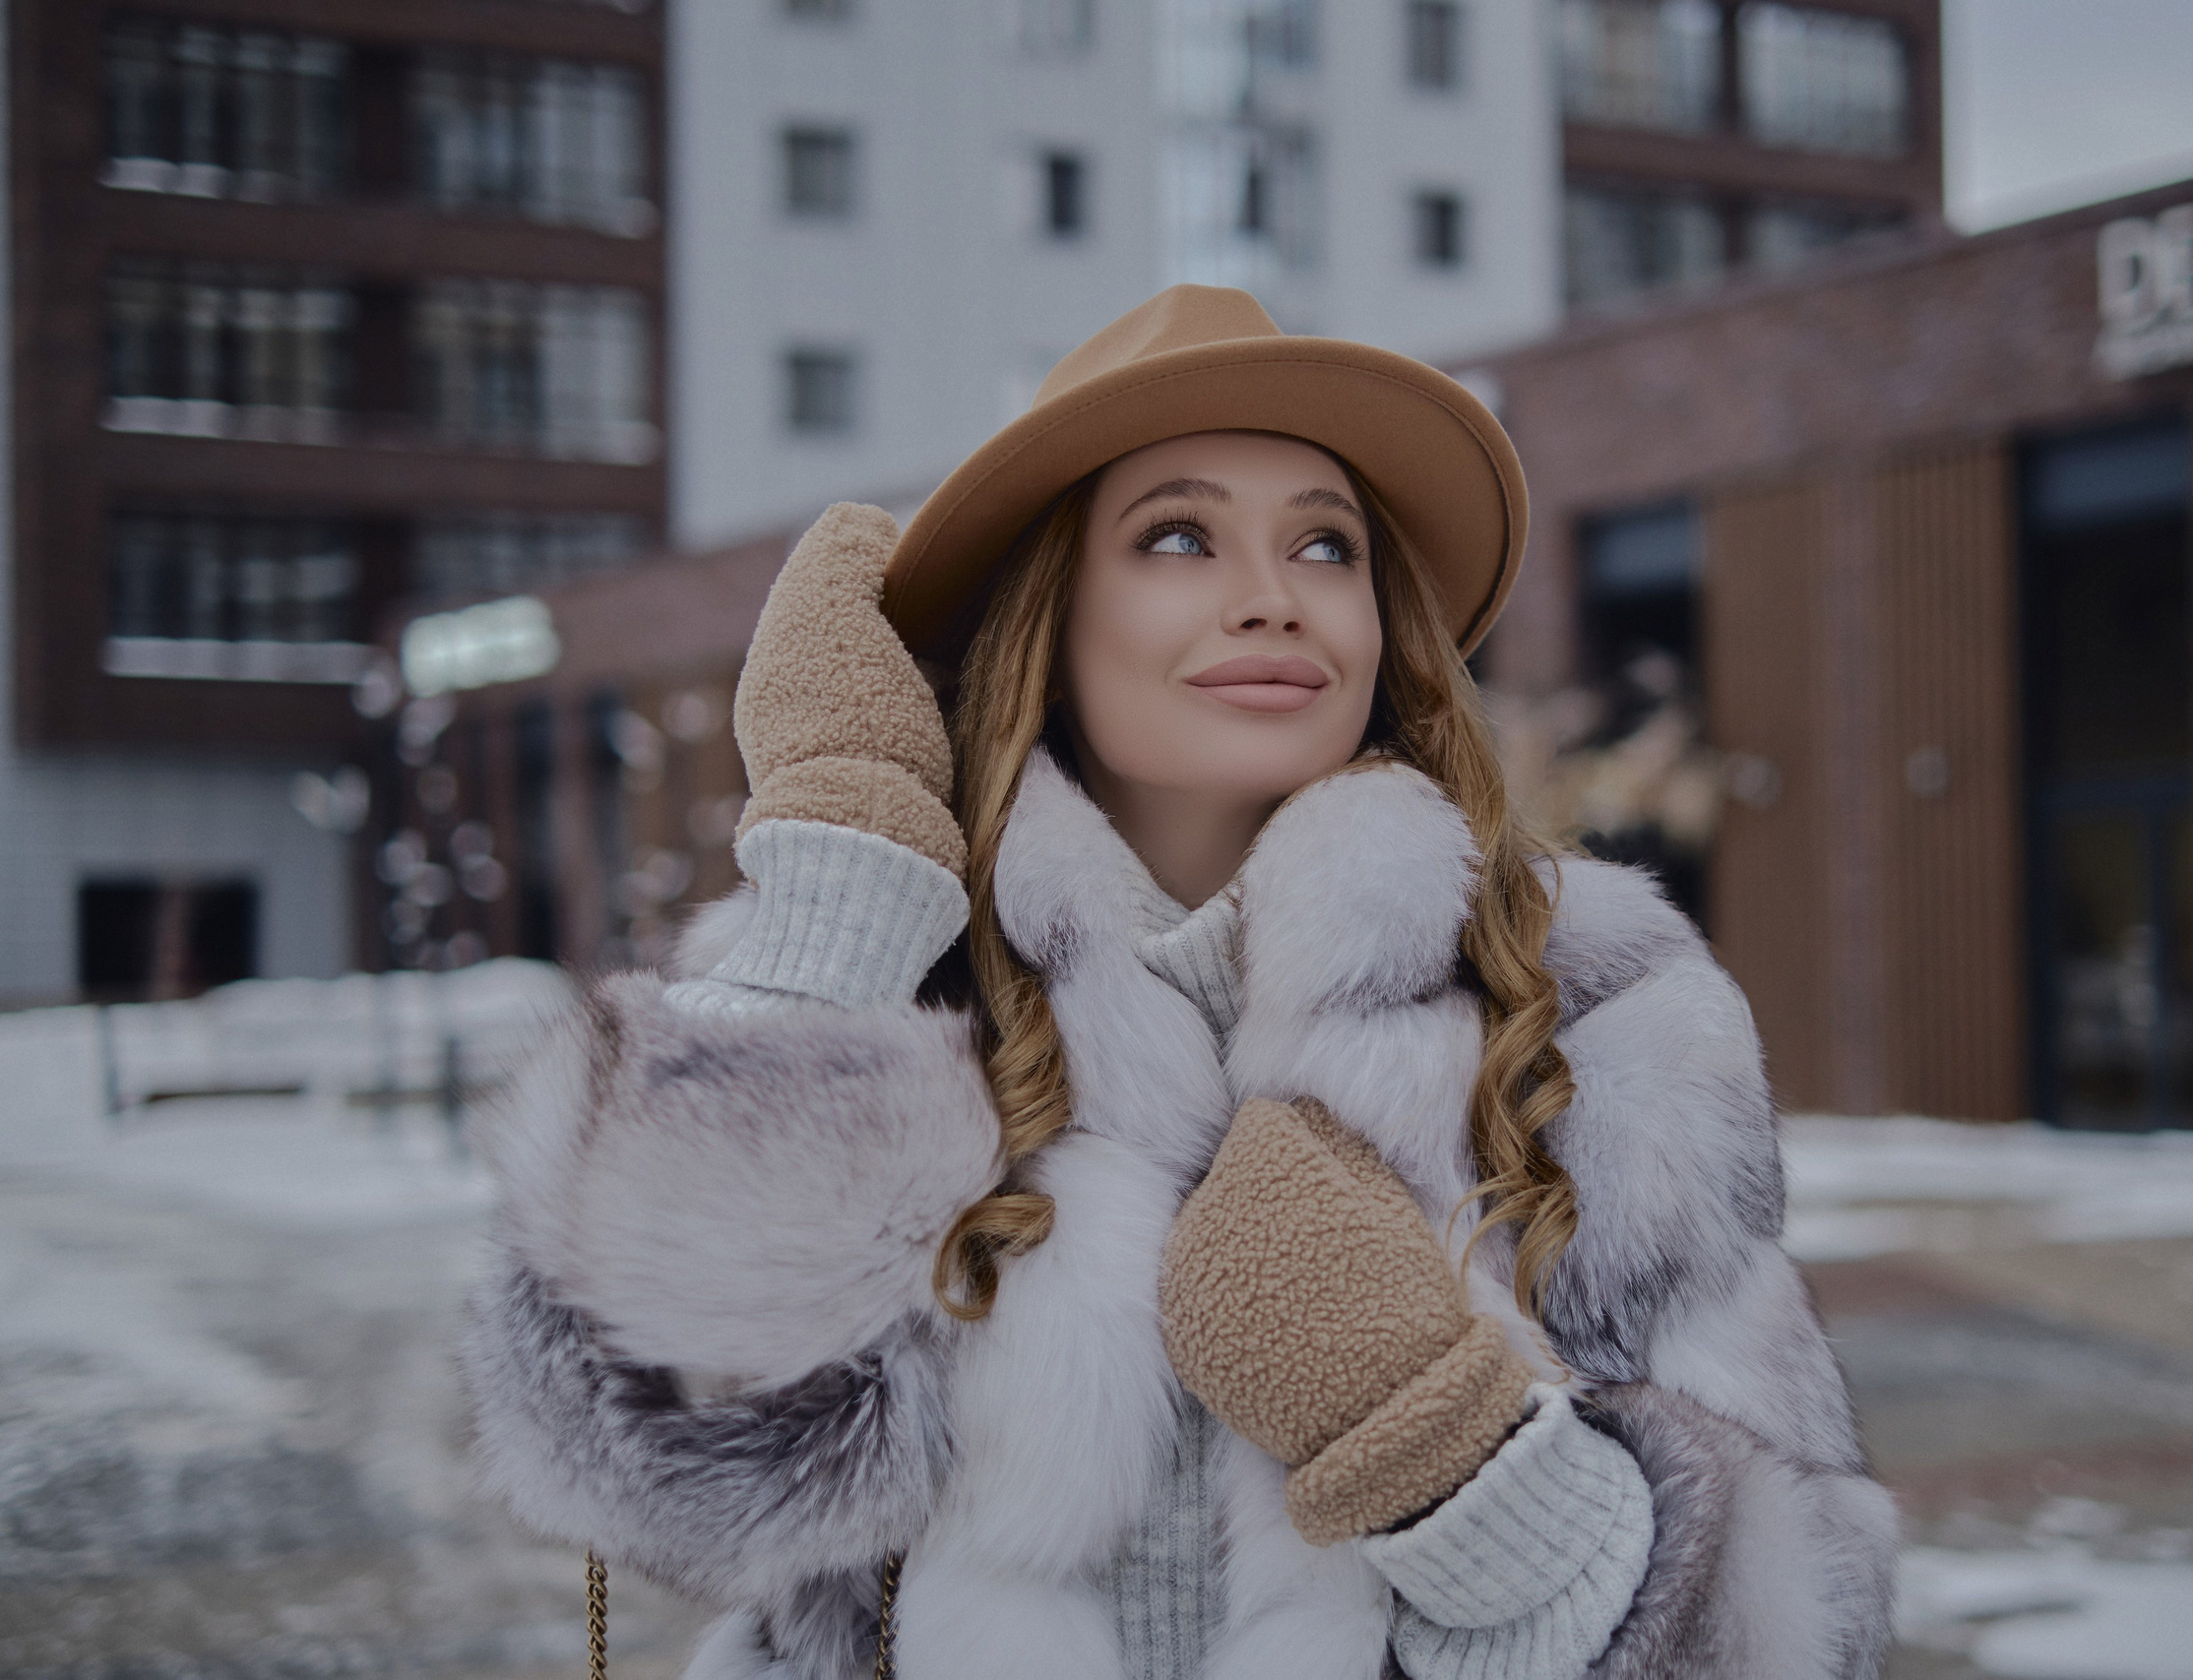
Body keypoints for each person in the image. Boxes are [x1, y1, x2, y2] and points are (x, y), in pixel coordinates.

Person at [461, 285, 1896, 1680]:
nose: (1273, 600)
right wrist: (841, 893)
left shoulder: (1593, 1007)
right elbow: (647, 1469)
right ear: (1050, 619)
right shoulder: (875, 998)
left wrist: (1454, 1460)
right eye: (1178, 537)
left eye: (1326, 546)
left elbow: (1798, 1628)